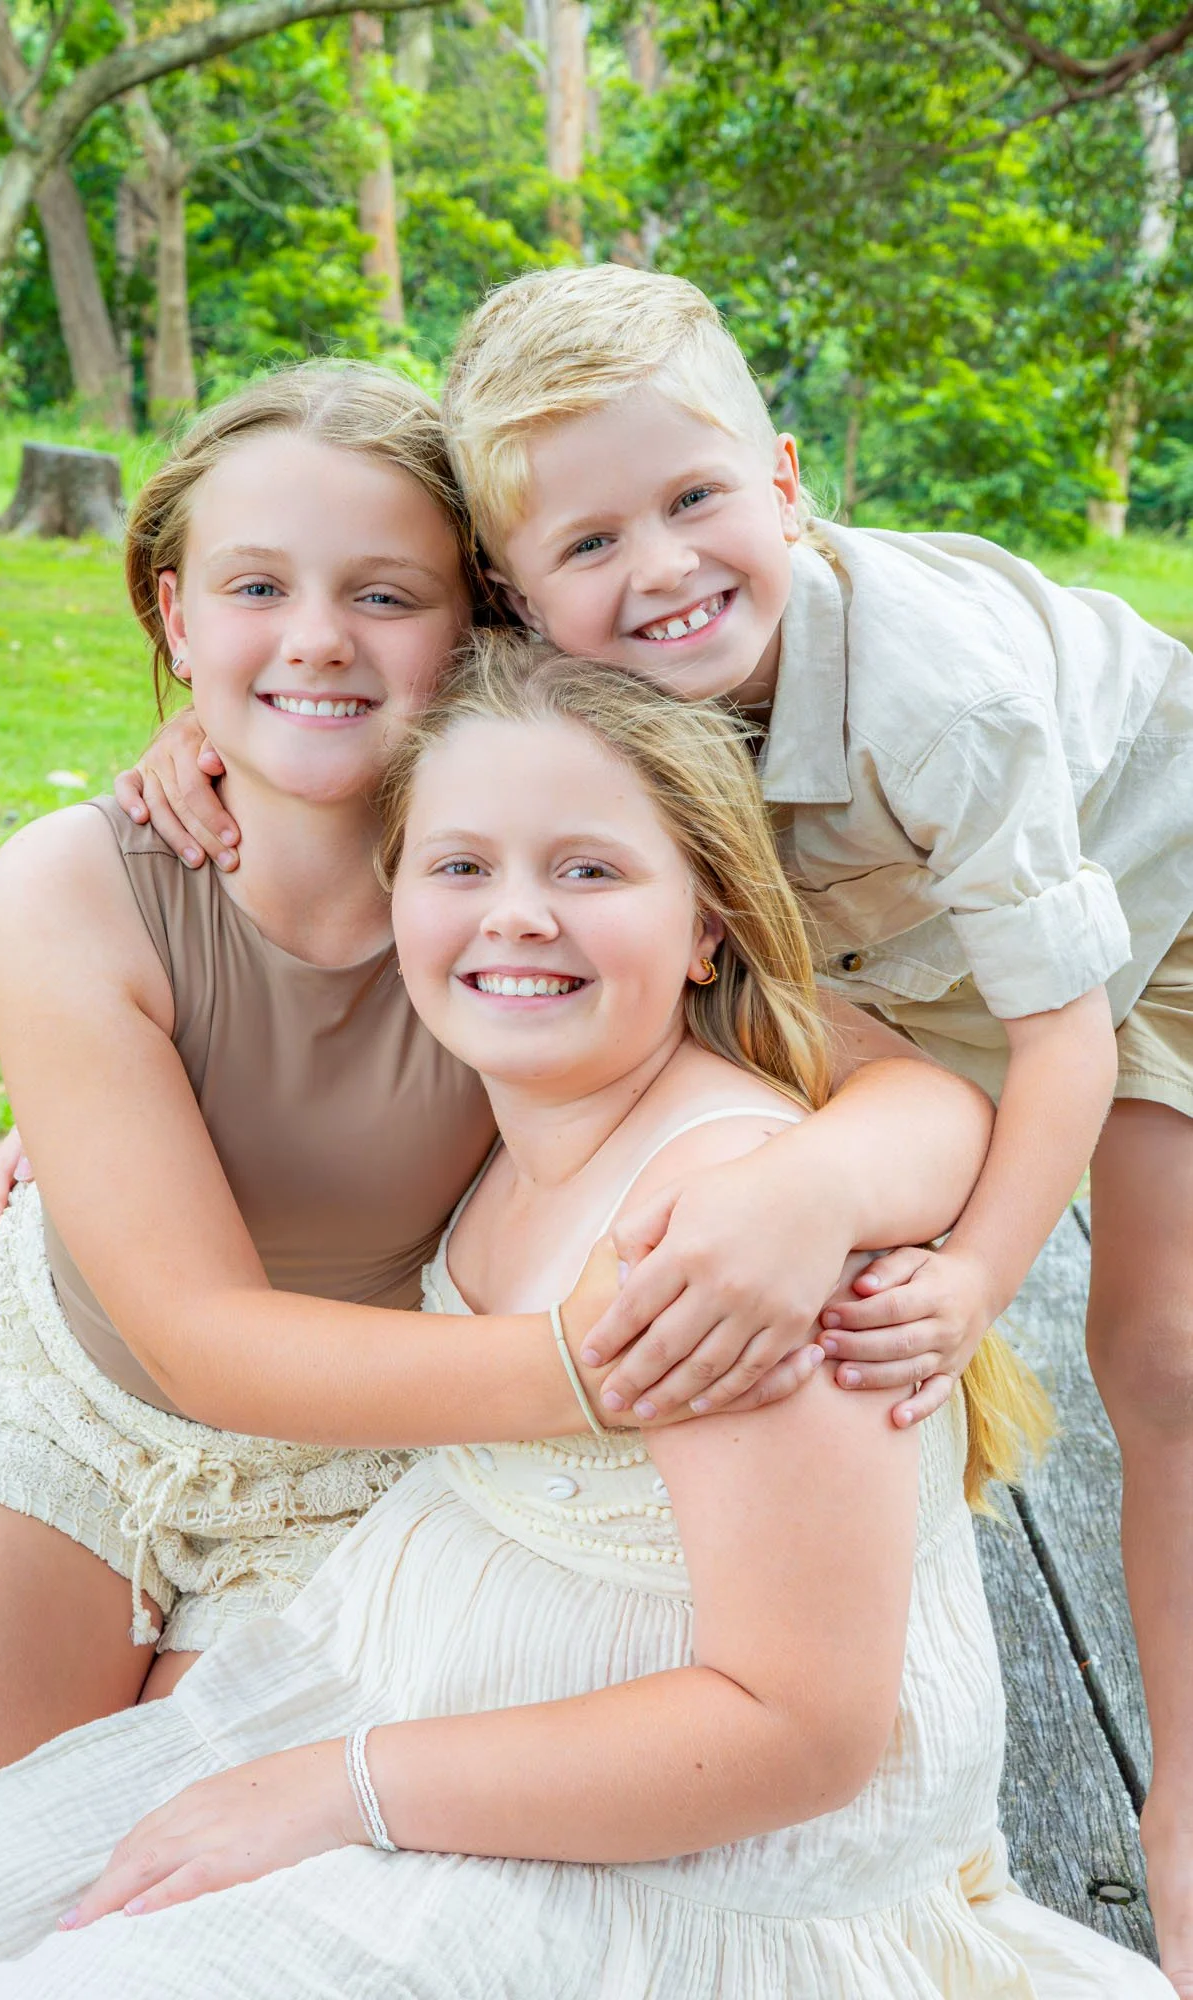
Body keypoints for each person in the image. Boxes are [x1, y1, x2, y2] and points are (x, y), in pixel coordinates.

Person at [141, 267, 1193, 1985]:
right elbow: (345, 685)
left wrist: (982, 1273)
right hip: (899, 938)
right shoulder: (567, 643)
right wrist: (197, 736)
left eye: (699, 501)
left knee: (1162, 1351)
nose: (658, 569)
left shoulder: (953, 696)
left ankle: (1181, 1819)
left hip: (1152, 886)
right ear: (516, 586)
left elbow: (1061, 1028)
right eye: (592, 545)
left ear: (785, 482)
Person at [0, 637, 1168, 1998]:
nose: (518, 917)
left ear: (708, 921)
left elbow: (803, 1734)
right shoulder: (511, 1108)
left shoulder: (731, 1243)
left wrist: (336, 1791)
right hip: (435, 1712)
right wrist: (78, 1113)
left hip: (671, 1874)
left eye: (588, 870)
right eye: (460, 867)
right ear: (397, 903)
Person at [0, 362, 989, 1874]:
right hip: (87, 1405)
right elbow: (199, 1336)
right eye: (256, 586)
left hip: (383, 1452)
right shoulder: (81, 884)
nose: (318, 639)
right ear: (172, 613)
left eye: (386, 596)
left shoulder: (508, 891)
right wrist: (587, 1368)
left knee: (139, 1886)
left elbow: (909, 1085)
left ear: (481, 621)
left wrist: (812, 1192)